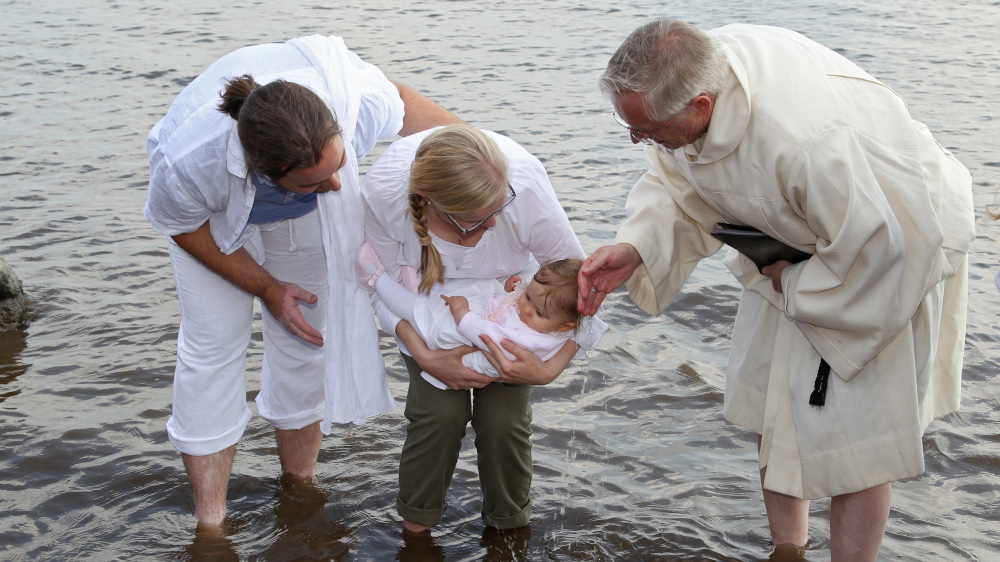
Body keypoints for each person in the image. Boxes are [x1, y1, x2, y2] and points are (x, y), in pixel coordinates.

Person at [578, 20, 974, 561]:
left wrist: (797, 282)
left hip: (891, 255)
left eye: (646, 130)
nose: (638, 140)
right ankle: (787, 550)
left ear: (700, 105)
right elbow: (674, 177)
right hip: (786, 249)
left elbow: (888, 246)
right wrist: (636, 246)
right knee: (771, 404)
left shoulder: (809, 139)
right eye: (631, 127)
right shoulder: (688, 77)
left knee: (857, 441)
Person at [144, 35, 461, 528]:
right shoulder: (190, 159)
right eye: (314, 182)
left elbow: (419, 115)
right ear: (261, 171)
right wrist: (267, 288)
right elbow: (182, 226)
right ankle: (210, 521)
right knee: (213, 347)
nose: (337, 186)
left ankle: (299, 485)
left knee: (307, 339)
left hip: (303, 218)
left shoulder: (355, 101)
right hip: (209, 218)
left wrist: (492, 160)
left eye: (339, 166)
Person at [361, 123, 602, 532]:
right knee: (438, 417)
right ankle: (416, 530)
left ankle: (509, 528)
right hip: (427, 313)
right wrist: (426, 356)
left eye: (499, 209)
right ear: (430, 202)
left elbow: (584, 296)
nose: (492, 225)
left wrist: (549, 369)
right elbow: (378, 287)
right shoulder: (385, 196)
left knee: (503, 424)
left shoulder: (526, 190)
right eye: (477, 219)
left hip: (518, 311)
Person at [359, 251, 604, 388]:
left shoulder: (533, 342)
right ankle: (412, 288)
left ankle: (376, 278)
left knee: (417, 312)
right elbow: (536, 297)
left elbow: (487, 337)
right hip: (480, 323)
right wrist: (519, 287)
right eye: (528, 297)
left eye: (539, 313)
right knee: (439, 302)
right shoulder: (553, 319)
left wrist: (461, 313)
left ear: (566, 326)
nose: (526, 309)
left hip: (459, 343)